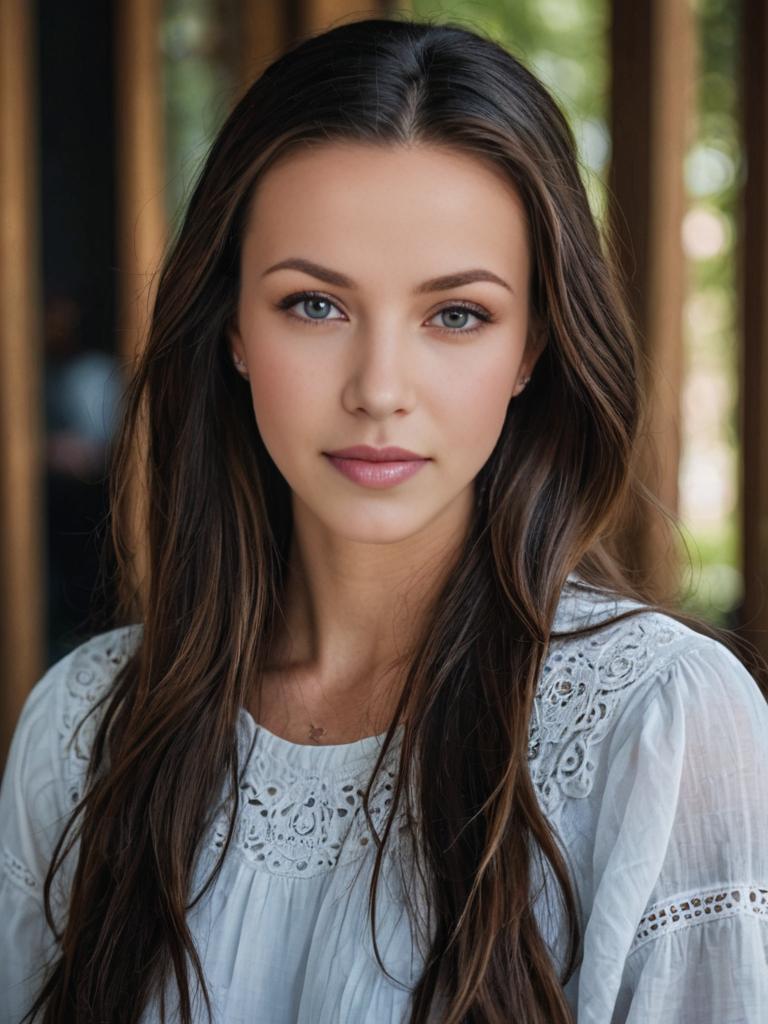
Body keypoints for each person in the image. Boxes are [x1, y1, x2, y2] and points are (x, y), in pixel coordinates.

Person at [1, 15, 767, 1024]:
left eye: (457, 314)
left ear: (532, 346)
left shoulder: (662, 725)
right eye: (315, 305)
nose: (379, 389)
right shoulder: (86, 727)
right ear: (232, 323)